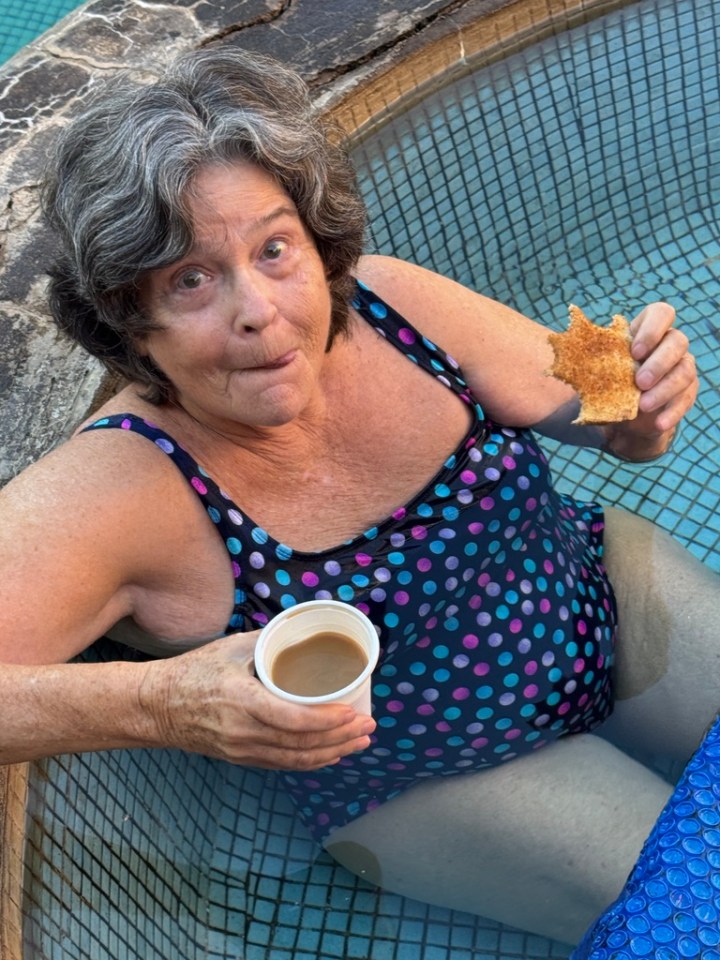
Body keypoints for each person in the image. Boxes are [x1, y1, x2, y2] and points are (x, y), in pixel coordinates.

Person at [0, 46, 716, 945]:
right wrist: (164, 704)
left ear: (318, 244)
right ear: (127, 318)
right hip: (434, 779)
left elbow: (607, 410)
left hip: (601, 601)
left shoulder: (393, 304)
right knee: (701, 909)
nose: (259, 309)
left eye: (274, 249)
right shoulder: (125, 483)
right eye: (191, 279)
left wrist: (644, 402)